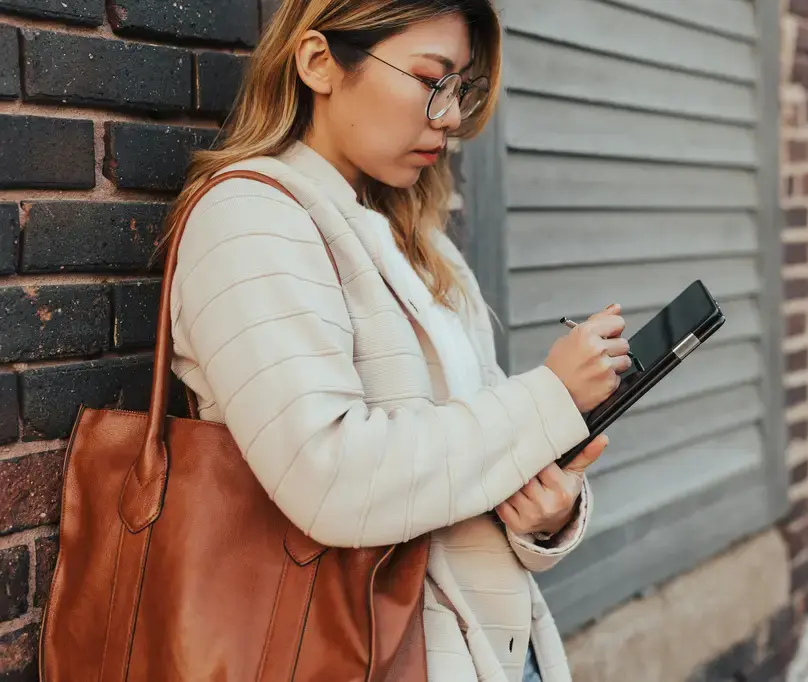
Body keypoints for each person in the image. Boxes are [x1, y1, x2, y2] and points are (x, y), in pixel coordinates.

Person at [167, 1, 631, 680]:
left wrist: (547, 511)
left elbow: (482, 440)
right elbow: (332, 477)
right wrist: (550, 398)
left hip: (495, 650)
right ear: (320, 63)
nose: (449, 117)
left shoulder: (421, 241)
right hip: (370, 654)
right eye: (429, 79)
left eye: (460, 89)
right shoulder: (250, 218)